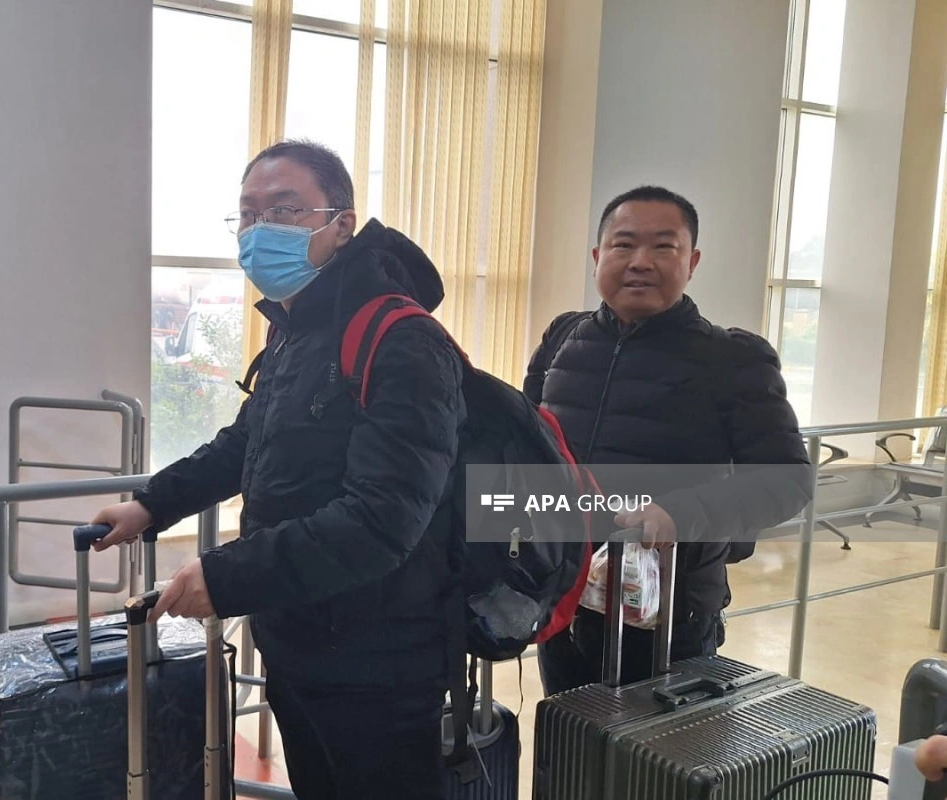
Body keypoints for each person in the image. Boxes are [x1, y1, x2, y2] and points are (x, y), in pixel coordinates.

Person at [89, 140, 465, 799]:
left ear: (341, 225)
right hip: (298, 634)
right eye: (249, 214)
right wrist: (152, 504)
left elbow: (381, 521)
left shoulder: (402, 341)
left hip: (379, 661)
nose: (262, 231)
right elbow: (249, 442)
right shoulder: (296, 329)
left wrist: (226, 575)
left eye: (286, 211)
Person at [524, 185, 812, 693]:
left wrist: (680, 513)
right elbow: (529, 445)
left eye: (663, 246)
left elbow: (787, 482)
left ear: (691, 262)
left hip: (667, 614)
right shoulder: (564, 339)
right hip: (564, 596)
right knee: (567, 734)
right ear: (597, 256)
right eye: (623, 244)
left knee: (652, 743)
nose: (640, 261)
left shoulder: (733, 359)